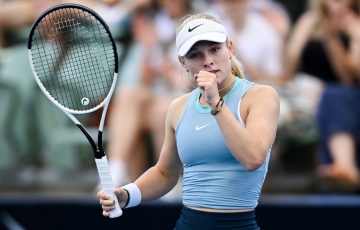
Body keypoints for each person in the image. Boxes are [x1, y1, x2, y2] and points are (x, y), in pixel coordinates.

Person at [98, 13, 279, 229]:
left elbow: (253, 158)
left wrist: (216, 104)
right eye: (195, 55)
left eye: (215, 49)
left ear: (230, 48)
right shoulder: (178, 108)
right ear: (182, 62)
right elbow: (165, 173)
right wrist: (127, 195)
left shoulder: (261, 96)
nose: (208, 60)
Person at [286, 0, 360, 187]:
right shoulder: (309, 21)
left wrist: (332, 39)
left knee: (334, 96)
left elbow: (349, 78)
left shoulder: (355, 24)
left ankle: (344, 167)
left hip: (344, 94)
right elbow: (289, 68)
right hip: (307, 91)